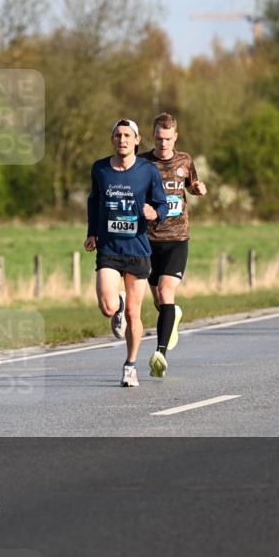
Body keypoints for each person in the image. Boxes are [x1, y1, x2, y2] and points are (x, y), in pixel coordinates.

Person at [85, 119, 168, 387]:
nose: (122, 140)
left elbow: (162, 204)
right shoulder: (100, 169)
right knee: (108, 308)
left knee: (135, 314)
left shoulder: (148, 171)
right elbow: (94, 201)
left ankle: (130, 366)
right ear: (113, 140)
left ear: (137, 140)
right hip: (109, 248)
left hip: (137, 249)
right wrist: (91, 232)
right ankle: (116, 304)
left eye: (127, 135)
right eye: (118, 135)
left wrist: (155, 213)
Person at [141, 113, 207, 378]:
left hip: (177, 239)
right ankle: (172, 315)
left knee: (167, 293)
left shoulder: (185, 160)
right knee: (159, 300)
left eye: (167, 138)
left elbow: (190, 185)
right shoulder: (143, 163)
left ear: (175, 137)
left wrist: (198, 189)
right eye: (158, 138)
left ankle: (160, 355)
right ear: (152, 136)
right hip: (149, 240)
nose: (163, 143)